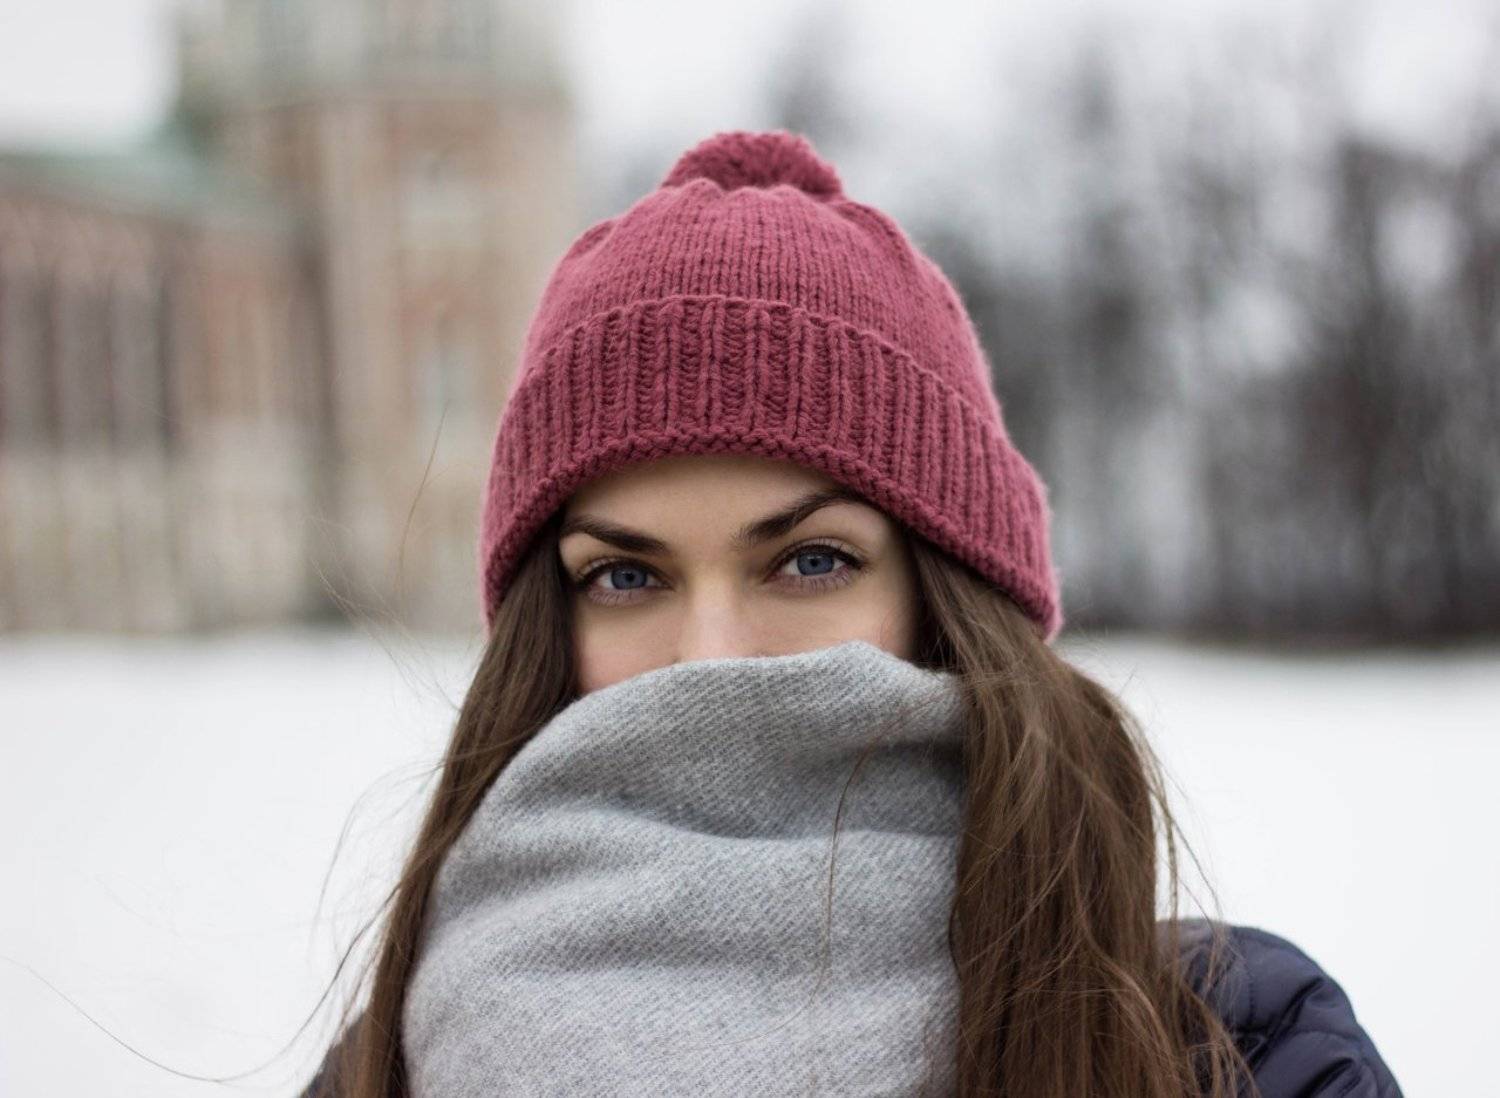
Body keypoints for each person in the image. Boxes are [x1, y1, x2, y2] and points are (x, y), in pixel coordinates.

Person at [298, 129, 1402, 1097]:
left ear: (948, 605)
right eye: (625, 578)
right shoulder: (393, 1066)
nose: (712, 659)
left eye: (811, 561)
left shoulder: (1236, 1054)